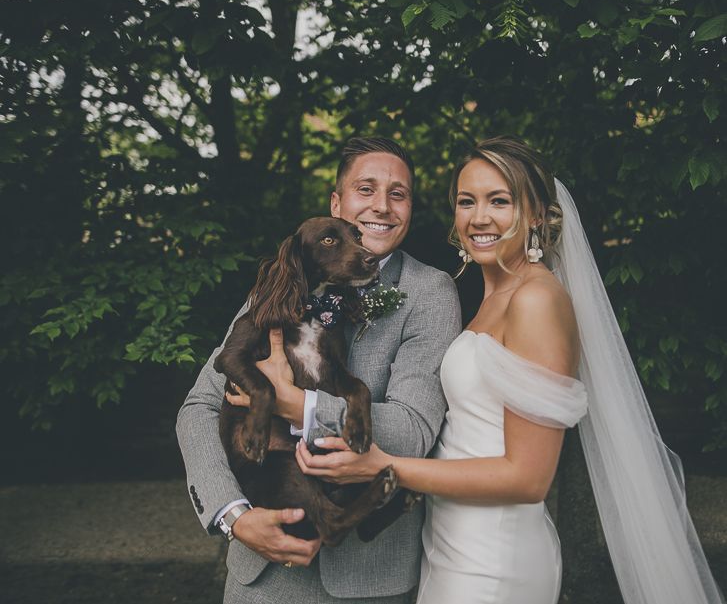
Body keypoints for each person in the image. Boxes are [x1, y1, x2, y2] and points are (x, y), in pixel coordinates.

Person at [294, 137, 726, 604]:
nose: (479, 217)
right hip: (450, 542)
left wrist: (387, 465)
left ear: (537, 214)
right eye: (467, 201)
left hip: (493, 558)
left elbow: (528, 477)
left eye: (500, 201)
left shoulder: (537, 300)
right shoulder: (490, 295)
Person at [176, 136, 462, 604]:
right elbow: (200, 405)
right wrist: (234, 515)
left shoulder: (430, 292)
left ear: (411, 206)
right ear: (338, 202)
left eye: (398, 193)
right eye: (365, 189)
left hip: (367, 582)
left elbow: (412, 430)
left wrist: (299, 405)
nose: (382, 206)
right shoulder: (287, 277)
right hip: (263, 577)